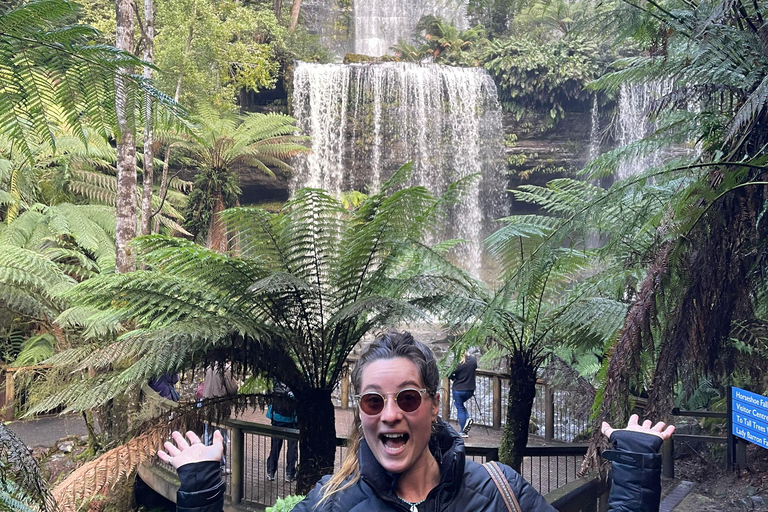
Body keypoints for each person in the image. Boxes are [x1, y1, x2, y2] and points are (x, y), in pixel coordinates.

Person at [159, 331, 675, 512]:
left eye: (407, 398)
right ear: (358, 412)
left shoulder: (501, 493)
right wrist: (203, 488)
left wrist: (633, 469)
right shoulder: (328, 504)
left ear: (432, 403)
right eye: (371, 402)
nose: (390, 415)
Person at [201, 363, 238, 472]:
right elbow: (233, 388)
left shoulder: (208, 367)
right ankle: (220, 465)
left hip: (207, 405)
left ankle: (207, 463)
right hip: (220, 406)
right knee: (221, 436)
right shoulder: (225, 368)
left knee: (208, 435)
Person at [266, 380, 299, 482]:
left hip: (276, 417)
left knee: (275, 446)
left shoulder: (276, 378)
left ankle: (271, 472)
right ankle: (290, 473)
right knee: (292, 448)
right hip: (292, 420)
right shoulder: (298, 378)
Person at [449, 350, 477, 437]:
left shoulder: (457, 363)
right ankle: (467, 421)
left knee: (459, 407)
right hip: (470, 389)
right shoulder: (473, 360)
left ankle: (463, 431)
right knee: (461, 406)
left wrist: (454, 378)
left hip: (458, 390)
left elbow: (449, 374)